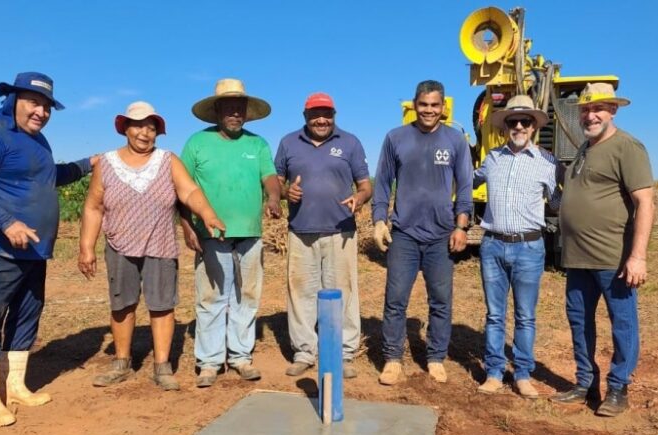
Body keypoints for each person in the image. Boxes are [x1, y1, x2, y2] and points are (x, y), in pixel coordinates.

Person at [0, 72, 95, 426]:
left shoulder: (39, 142)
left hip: (35, 251)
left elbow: (50, 177)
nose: (41, 112)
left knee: (26, 316)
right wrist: (7, 223)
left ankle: (15, 385)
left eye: (47, 106)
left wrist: (88, 164)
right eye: (34, 102)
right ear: (12, 99)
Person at [78, 101, 224, 391]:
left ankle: (162, 366)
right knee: (122, 304)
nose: (145, 132)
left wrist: (207, 213)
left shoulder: (167, 160)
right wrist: (86, 247)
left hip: (160, 244)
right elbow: (93, 207)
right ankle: (121, 362)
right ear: (125, 128)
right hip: (119, 245)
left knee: (162, 305)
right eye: (139, 125)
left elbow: (189, 191)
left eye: (152, 126)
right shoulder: (106, 163)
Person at [552, 83, 655, 417]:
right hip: (578, 258)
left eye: (598, 108)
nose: (590, 115)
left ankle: (618, 388)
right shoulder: (584, 148)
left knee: (622, 323)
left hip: (614, 259)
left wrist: (637, 255)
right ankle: (585, 383)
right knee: (579, 321)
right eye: (585, 109)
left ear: (613, 110)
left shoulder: (627, 147)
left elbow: (645, 203)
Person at [179, 78, 282, 388]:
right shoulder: (197, 143)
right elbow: (182, 188)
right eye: (229, 108)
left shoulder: (257, 144)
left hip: (249, 234)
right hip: (210, 234)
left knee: (246, 296)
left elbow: (270, 178)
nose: (235, 114)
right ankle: (209, 362)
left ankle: (240, 356)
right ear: (218, 111)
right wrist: (186, 226)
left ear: (246, 113)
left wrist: (274, 198)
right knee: (212, 297)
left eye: (240, 109)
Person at [372, 80, 473, 385]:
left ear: (443, 108)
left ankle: (436, 357)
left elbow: (465, 186)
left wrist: (460, 226)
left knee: (441, 300)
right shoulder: (396, 138)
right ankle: (392, 358)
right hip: (404, 233)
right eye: (423, 104)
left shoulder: (455, 140)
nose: (429, 110)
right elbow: (383, 182)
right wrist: (379, 219)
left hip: (441, 235)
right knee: (396, 299)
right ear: (414, 105)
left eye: (435, 105)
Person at [275, 92, 372, 379]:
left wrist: (360, 198)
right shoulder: (289, 143)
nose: (321, 119)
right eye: (315, 114)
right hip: (300, 231)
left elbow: (366, 185)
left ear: (334, 115)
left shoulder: (350, 143)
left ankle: (343, 352)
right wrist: (285, 192)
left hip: (341, 231)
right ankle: (305, 351)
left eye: (326, 114)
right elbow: (276, 183)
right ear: (305, 116)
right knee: (301, 292)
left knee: (343, 293)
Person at [473, 95, 563, 399]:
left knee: (525, 315)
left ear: (535, 126)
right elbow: (466, 182)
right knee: (494, 315)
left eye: (526, 121)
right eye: (513, 121)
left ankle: (523, 374)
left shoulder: (548, 163)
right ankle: (495, 373)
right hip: (493, 246)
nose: (520, 126)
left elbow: (559, 202)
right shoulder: (492, 159)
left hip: (528, 247)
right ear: (506, 126)